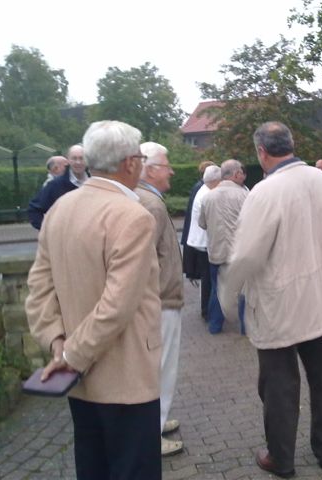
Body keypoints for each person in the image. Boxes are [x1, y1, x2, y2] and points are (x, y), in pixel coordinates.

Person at [218, 121, 322, 478]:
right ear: (291, 145)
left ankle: (280, 459)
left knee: (279, 387)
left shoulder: (264, 192)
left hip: (279, 307)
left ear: (261, 152)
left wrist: (227, 294)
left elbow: (247, 254)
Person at [25, 121, 162, 479]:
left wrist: (57, 344)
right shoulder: (132, 216)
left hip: (79, 383)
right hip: (126, 378)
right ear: (129, 163)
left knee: (92, 468)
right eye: (141, 158)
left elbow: (38, 289)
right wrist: (71, 357)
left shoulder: (60, 209)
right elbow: (117, 306)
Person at [135, 142, 185, 456]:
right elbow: (143, 259)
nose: (172, 171)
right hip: (160, 301)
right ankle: (150, 432)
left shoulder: (145, 198)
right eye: (167, 165)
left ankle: (158, 420)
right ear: (151, 170)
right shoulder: (151, 204)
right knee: (161, 369)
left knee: (159, 368)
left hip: (158, 299)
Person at [198, 159, 249, 334]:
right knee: (243, 291)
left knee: (217, 289)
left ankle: (215, 326)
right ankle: (245, 328)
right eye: (241, 172)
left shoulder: (208, 197)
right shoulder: (245, 196)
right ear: (236, 174)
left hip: (216, 252)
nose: (243, 175)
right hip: (239, 253)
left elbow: (202, 223)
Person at [186, 165, 222, 319]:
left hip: (200, 241)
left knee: (206, 278)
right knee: (208, 279)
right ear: (216, 180)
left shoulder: (203, 190)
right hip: (204, 242)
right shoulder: (207, 195)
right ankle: (207, 311)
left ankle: (206, 309)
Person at [28, 145, 89, 230]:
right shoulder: (55, 185)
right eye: (74, 158)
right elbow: (34, 209)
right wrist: (48, 230)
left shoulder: (96, 183)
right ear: (68, 160)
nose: (78, 162)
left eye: (81, 158)